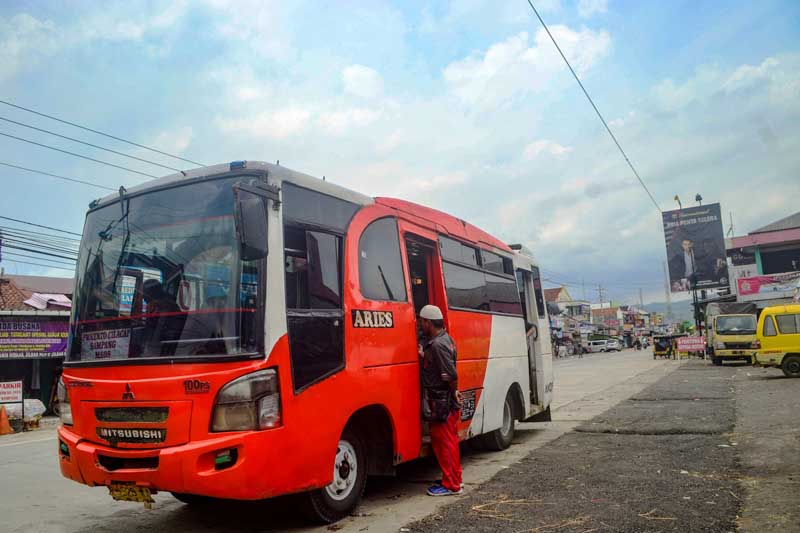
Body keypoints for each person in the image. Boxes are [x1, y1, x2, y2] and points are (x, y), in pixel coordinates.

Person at [418, 304, 463, 497]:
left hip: (442, 400)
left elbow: (450, 375)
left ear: (429, 322)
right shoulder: (445, 339)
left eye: (422, 321)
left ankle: (451, 485)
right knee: (448, 442)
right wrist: (424, 355)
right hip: (444, 399)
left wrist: (453, 392)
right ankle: (454, 479)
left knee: (445, 444)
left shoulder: (437, 345)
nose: (421, 325)